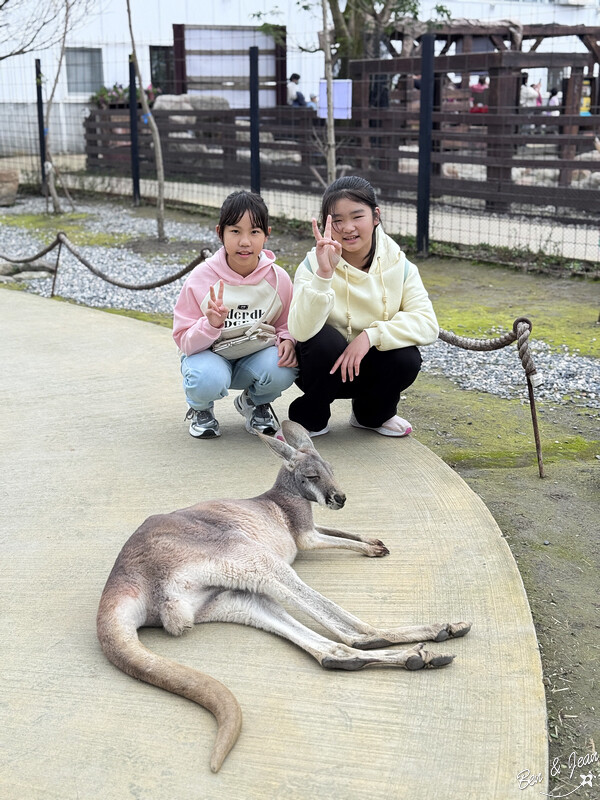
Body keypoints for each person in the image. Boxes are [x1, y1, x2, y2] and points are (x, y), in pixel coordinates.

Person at [286, 176, 438, 438]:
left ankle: (372, 414)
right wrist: (324, 274)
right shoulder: (312, 265)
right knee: (324, 341)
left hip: (369, 368)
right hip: (322, 370)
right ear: (326, 224)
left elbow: (427, 325)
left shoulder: (400, 266)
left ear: (376, 216)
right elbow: (300, 330)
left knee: (406, 357)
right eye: (337, 220)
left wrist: (370, 336)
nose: (348, 228)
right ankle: (311, 418)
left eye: (357, 216)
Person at [173, 191, 298, 439]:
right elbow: (184, 341)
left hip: (253, 358)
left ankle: (255, 403)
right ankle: (200, 409)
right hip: (210, 358)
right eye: (235, 231)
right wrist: (210, 325)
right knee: (206, 378)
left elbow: (286, 325)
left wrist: (288, 341)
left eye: (254, 232)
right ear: (220, 232)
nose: (245, 241)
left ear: (266, 235)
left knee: (284, 366)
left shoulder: (278, 279)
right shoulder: (201, 278)